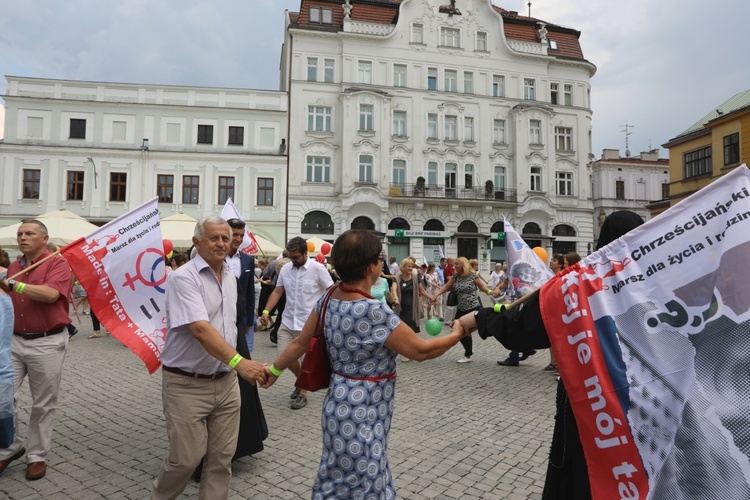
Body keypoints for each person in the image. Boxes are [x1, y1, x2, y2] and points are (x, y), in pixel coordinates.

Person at [260, 230, 468, 499]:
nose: (381, 264)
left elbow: (300, 343)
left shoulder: (328, 298)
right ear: (371, 266)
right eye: (379, 260)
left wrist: (275, 370)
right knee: (364, 482)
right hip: (364, 412)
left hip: (336, 406)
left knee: (337, 476)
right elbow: (421, 351)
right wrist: (458, 333)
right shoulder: (375, 312)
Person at [456, 210, 644, 500]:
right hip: (647, 409)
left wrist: (478, 320)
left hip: (593, 409)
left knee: (584, 478)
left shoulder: (583, 287)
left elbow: (528, 324)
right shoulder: (656, 285)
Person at [150, 216, 267, 500]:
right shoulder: (183, 277)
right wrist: (241, 363)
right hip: (187, 384)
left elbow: (229, 325)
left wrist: (236, 365)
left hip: (226, 383)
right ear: (196, 242)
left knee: (221, 460)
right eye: (214, 238)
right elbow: (201, 330)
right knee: (185, 460)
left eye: (226, 238)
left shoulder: (230, 275)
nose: (221, 243)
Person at [0, 219, 72, 480]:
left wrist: (15, 285)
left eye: (29, 233)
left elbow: (51, 295)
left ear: (44, 238)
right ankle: (10, 447)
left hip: (47, 341)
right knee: (5, 397)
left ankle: (37, 455)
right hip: (14, 340)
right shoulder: (15, 266)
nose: (22, 237)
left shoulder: (57, 263)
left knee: (43, 403)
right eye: (19, 233)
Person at [259, 237, 333, 410]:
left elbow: (330, 291)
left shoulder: (318, 269)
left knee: (306, 360)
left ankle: (303, 393)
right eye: (291, 257)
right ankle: (302, 382)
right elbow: (277, 291)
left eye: (296, 257)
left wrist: (326, 315)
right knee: (284, 357)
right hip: (287, 321)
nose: (293, 260)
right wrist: (265, 311)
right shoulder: (285, 269)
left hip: (308, 325)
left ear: (306, 253)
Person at [432, 257, 493, 363]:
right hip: (461, 308)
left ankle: (468, 353)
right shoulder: (456, 276)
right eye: (454, 264)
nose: (454, 266)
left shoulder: (473, 275)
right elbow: (446, 286)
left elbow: (482, 287)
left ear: (463, 265)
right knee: (458, 330)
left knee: (467, 330)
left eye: (457, 264)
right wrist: (435, 295)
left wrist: (491, 293)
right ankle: (468, 352)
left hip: (473, 308)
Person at [390, 257, 433, 362]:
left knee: (409, 331)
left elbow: (422, 290)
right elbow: (394, 289)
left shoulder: (415, 278)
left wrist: (431, 298)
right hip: (400, 309)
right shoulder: (397, 278)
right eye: (408, 266)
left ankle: (408, 353)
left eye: (411, 266)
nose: (410, 268)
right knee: (400, 332)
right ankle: (407, 350)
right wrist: (395, 298)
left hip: (412, 309)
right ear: (403, 267)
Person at [542, 254, 565, 372]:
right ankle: (553, 363)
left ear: (560, 264)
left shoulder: (562, 277)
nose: (550, 261)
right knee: (551, 340)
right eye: (551, 259)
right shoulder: (550, 276)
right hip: (551, 311)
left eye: (554, 260)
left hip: (559, 312)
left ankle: (559, 365)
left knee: (558, 340)